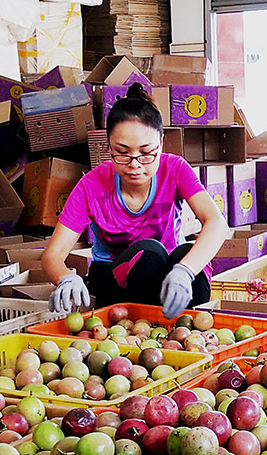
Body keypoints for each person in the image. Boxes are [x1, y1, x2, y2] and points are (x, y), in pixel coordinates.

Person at [42, 82, 229, 319]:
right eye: (122, 152)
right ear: (108, 147)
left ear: (161, 143)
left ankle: (187, 331)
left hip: (170, 279)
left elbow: (216, 224)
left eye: (146, 152)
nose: (135, 164)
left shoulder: (175, 169)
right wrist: (66, 278)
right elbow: (53, 254)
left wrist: (185, 270)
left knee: (187, 256)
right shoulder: (92, 185)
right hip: (115, 286)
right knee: (149, 253)